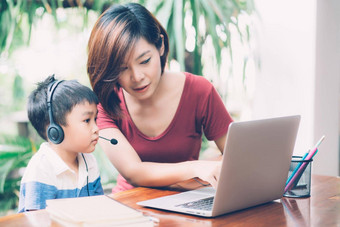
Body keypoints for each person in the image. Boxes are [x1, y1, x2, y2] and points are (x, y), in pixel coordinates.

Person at [87, 3, 233, 193]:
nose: (137, 76)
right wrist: (196, 168)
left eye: (145, 61)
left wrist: (183, 179)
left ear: (161, 46)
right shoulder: (107, 102)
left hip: (189, 202)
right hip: (131, 205)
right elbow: (134, 172)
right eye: (122, 68)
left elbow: (235, 155)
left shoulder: (199, 90)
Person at [18, 75, 104, 213]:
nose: (96, 128)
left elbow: (99, 210)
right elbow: (38, 222)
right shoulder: (41, 169)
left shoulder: (89, 162)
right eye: (87, 120)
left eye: (96, 119)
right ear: (54, 130)